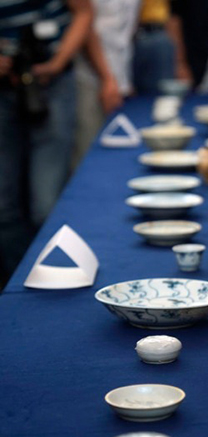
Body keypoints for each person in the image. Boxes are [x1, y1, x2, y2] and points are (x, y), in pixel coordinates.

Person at [0, 0, 93, 286]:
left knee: (46, 205)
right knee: (3, 208)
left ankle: (55, 283)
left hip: (52, 82)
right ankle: (19, 288)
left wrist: (57, 62)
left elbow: (84, 11)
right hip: (3, 90)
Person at [74, 0, 142, 167]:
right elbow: (86, 26)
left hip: (119, 73)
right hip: (90, 76)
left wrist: (123, 78)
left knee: (119, 153)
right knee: (89, 153)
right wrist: (107, 78)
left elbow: (126, 24)